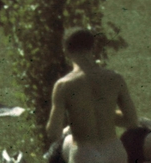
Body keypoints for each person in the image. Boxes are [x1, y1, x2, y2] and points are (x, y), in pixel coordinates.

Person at [46, 28, 139, 163]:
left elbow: (53, 133)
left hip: (84, 153)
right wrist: (105, 113)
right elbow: (132, 122)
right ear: (93, 48)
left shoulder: (64, 85)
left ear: (65, 51)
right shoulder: (115, 78)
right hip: (114, 151)